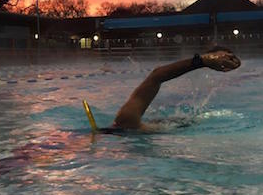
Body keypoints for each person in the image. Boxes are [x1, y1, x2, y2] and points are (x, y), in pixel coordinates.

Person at [85, 46, 241, 132]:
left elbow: (156, 77)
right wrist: (201, 61)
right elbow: (156, 76)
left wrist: (201, 61)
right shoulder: (128, 123)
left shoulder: (126, 123)